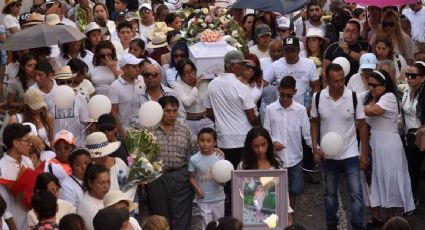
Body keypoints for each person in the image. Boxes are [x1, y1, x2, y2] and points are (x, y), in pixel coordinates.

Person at [311, 63, 369, 230]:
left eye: (342, 80)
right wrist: (315, 146)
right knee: (329, 194)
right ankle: (331, 225)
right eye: (335, 81)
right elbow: (314, 122)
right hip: (328, 155)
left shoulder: (353, 97)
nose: (339, 84)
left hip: (350, 153)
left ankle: (358, 225)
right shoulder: (318, 97)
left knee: (356, 194)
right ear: (327, 81)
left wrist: (363, 153)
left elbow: (362, 126)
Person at [205, 50, 259, 215]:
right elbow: (251, 117)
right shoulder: (240, 87)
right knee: (246, 176)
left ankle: (229, 213)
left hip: (224, 140)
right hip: (243, 139)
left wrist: (221, 122)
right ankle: (248, 211)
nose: (244, 67)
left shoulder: (212, 84)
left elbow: (208, 112)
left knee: (227, 178)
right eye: (241, 64)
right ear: (232, 65)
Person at [363, 70, 415, 225]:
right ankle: (376, 216)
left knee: (390, 178)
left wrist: (352, 107)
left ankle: (391, 218)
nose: (371, 88)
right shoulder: (368, 97)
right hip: (371, 143)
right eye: (369, 84)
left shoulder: (389, 97)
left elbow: (375, 111)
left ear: (384, 85)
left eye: (375, 85)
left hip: (388, 145)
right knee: (370, 178)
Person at [146, 96, 196, 230]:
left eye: (175, 111)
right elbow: (139, 155)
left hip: (181, 176)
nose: (172, 114)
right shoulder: (149, 130)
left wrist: (213, 150)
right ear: (160, 111)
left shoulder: (184, 129)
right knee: (160, 218)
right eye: (168, 111)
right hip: (157, 177)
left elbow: (197, 149)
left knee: (182, 216)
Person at [263, 76, 311, 208]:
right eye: (282, 95)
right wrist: (273, 142)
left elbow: (307, 134)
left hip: (295, 157)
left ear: (295, 92)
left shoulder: (300, 110)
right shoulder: (270, 109)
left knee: (294, 190)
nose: (285, 98)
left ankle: (290, 217)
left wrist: (316, 150)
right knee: (276, 190)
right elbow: (266, 131)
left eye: (289, 96)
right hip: (276, 159)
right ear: (278, 90)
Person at [237, 127, 293, 223]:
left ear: (269, 144)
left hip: (274, 212)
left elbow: (283, 191)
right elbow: (240, 193)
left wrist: (288, 213)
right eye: (256, 146)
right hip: (252, 214)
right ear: (250, 146)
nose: (260, 150)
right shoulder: (243, 166)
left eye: (263, 145)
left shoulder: (276, 163)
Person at [264, 36, 320, 107]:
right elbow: (262, 83)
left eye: (293, 50)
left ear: (299, 50)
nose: (290, 53)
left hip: (304, 109)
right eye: (287, 50)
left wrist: (312, 105)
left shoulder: (309, 64)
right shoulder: (275, 65)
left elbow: (316, 86)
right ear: (283, 51)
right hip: (282, 109)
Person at [188, 128, 225, 230]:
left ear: (215, 143)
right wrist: (197, 189)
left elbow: (224, 175)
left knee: (220, 224)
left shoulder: (220, 156)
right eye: (202, 140)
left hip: (218, 197)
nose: (205, 143)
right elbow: (191, 177)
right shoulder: (194, 159)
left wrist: (223, 182)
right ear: (198, 141)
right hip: (203, 198)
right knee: (207, 224)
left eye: (209, 141)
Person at [0, 123, 34, 230]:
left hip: (32, 221)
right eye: (27, 141)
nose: (30, 144)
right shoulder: (2, 167)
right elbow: (3, 206)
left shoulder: (27, 161)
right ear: (15, 143)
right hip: (15, 224)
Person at [401, 61, 425, 208]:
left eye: (413, 76)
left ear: (423, 78)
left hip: (422, 136)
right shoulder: (405, 91)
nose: (409, 78)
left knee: (415, 169)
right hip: (409, 137)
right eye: (408, 75)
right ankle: (412, 198)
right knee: (412, 170)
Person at [322, 19, 371, 85]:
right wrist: (326, 89)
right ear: (343, 31)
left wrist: (348, 51)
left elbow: (365, 60)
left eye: (353, 31)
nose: (350, 33)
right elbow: (325, 71)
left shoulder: (365, 45)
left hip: (357, 85)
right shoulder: (332, 47)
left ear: (358, 33)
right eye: (347, 30)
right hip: (335, 85)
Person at [109, 53, 144, 137]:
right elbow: (114, 112)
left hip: (143, 131)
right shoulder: (115, 86)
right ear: (124, 68)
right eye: (134, 67)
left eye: (138, 66)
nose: (138, 70)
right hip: (126, 133)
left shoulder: (142, 79)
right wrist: (122, 133)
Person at [174, 58, 212, 135]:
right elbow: (187, 102)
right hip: (189, 123)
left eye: (192, 71)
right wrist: (196, 86)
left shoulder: (204, 81)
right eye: (186, 73)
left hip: (206, 121)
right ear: (181, 75)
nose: (190, 75)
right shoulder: (178, 86)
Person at [76, 164, 110, 230]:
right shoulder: (86, 206)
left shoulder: (107, 195)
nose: (106, 186)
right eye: (101, 183)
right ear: (90, 183)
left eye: (108, 182)